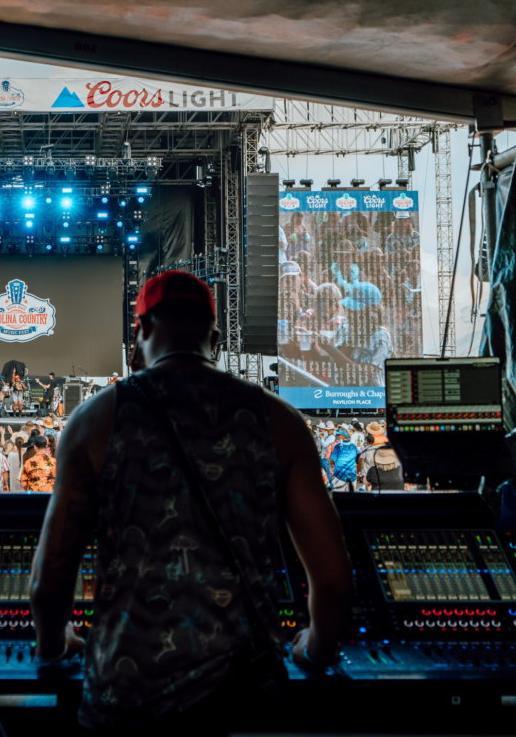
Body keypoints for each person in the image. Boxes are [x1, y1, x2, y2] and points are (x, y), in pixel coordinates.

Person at [29, 270, 353, 732]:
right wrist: (316, 651)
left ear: (140, 331)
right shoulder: (281, 422)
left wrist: (52, 649)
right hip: (241, 703)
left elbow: (51, 578)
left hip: (124, 703)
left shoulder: (92, 422)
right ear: (215, 338)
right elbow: (336, 582)